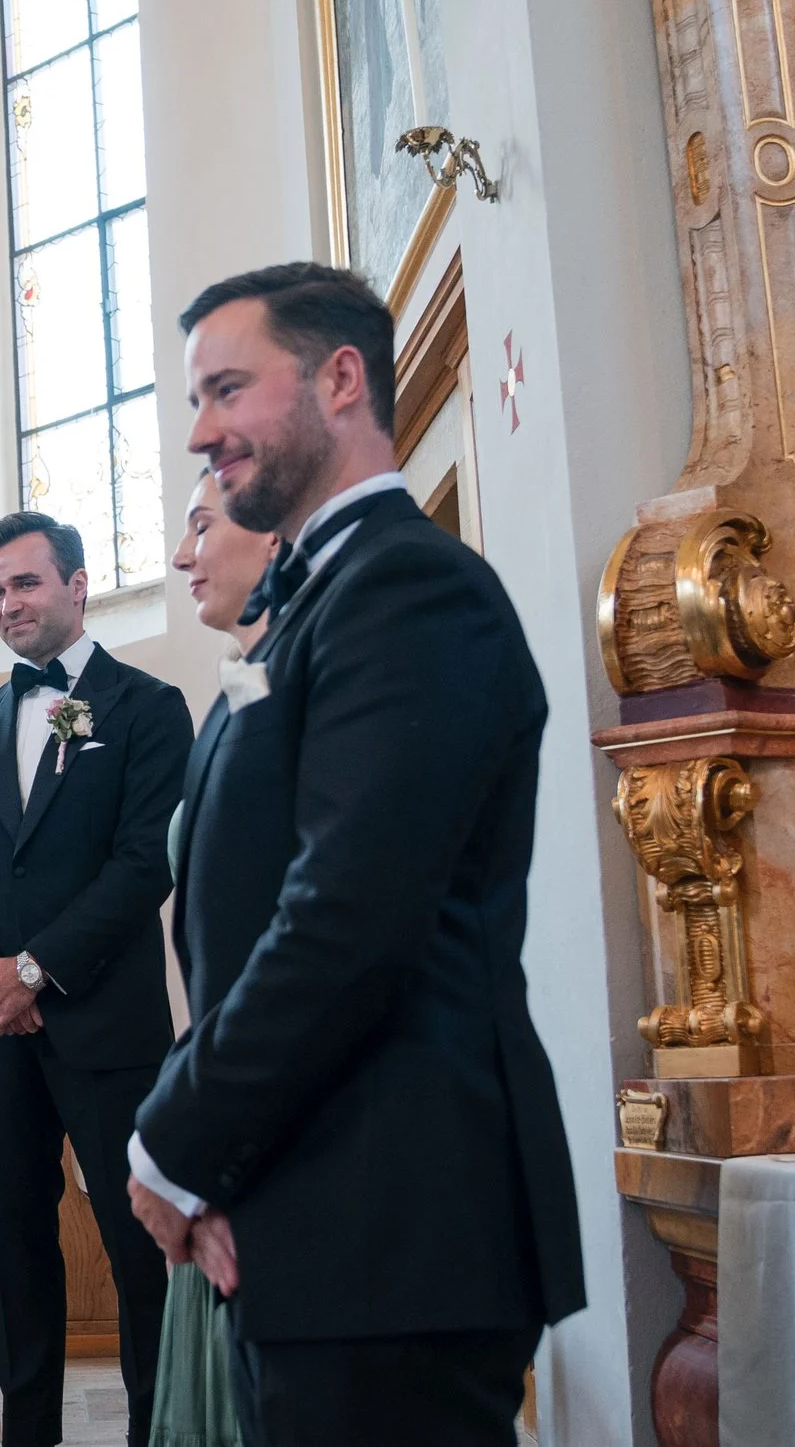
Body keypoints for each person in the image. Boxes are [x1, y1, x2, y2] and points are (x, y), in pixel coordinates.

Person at [132, 262, 585, 1447]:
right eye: (196, 398)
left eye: (227, 388)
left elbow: (346, 916)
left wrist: (174, 1139)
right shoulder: (308, 601)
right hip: (314, 1212)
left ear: (340, 378)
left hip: (395, 1217)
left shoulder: (409, 586)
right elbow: (242, 906)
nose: (201, 431)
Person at [0, 513, 190, 1447]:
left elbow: (145, 860)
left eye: (25, 582)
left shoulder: (147, 707)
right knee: (17, 1252)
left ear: (77, 585)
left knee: (138, 1247)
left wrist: (34, 970)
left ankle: (157, 1432)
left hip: (107, 1024)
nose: (8, 603)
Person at [146, 471, 276, 1447]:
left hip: (270, 1110)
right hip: (220, 1086)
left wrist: (200, 1133)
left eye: (202, 524)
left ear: (275, 534)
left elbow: (304, 943)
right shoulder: (231, 701)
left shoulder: (306, 690)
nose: (182, 555)